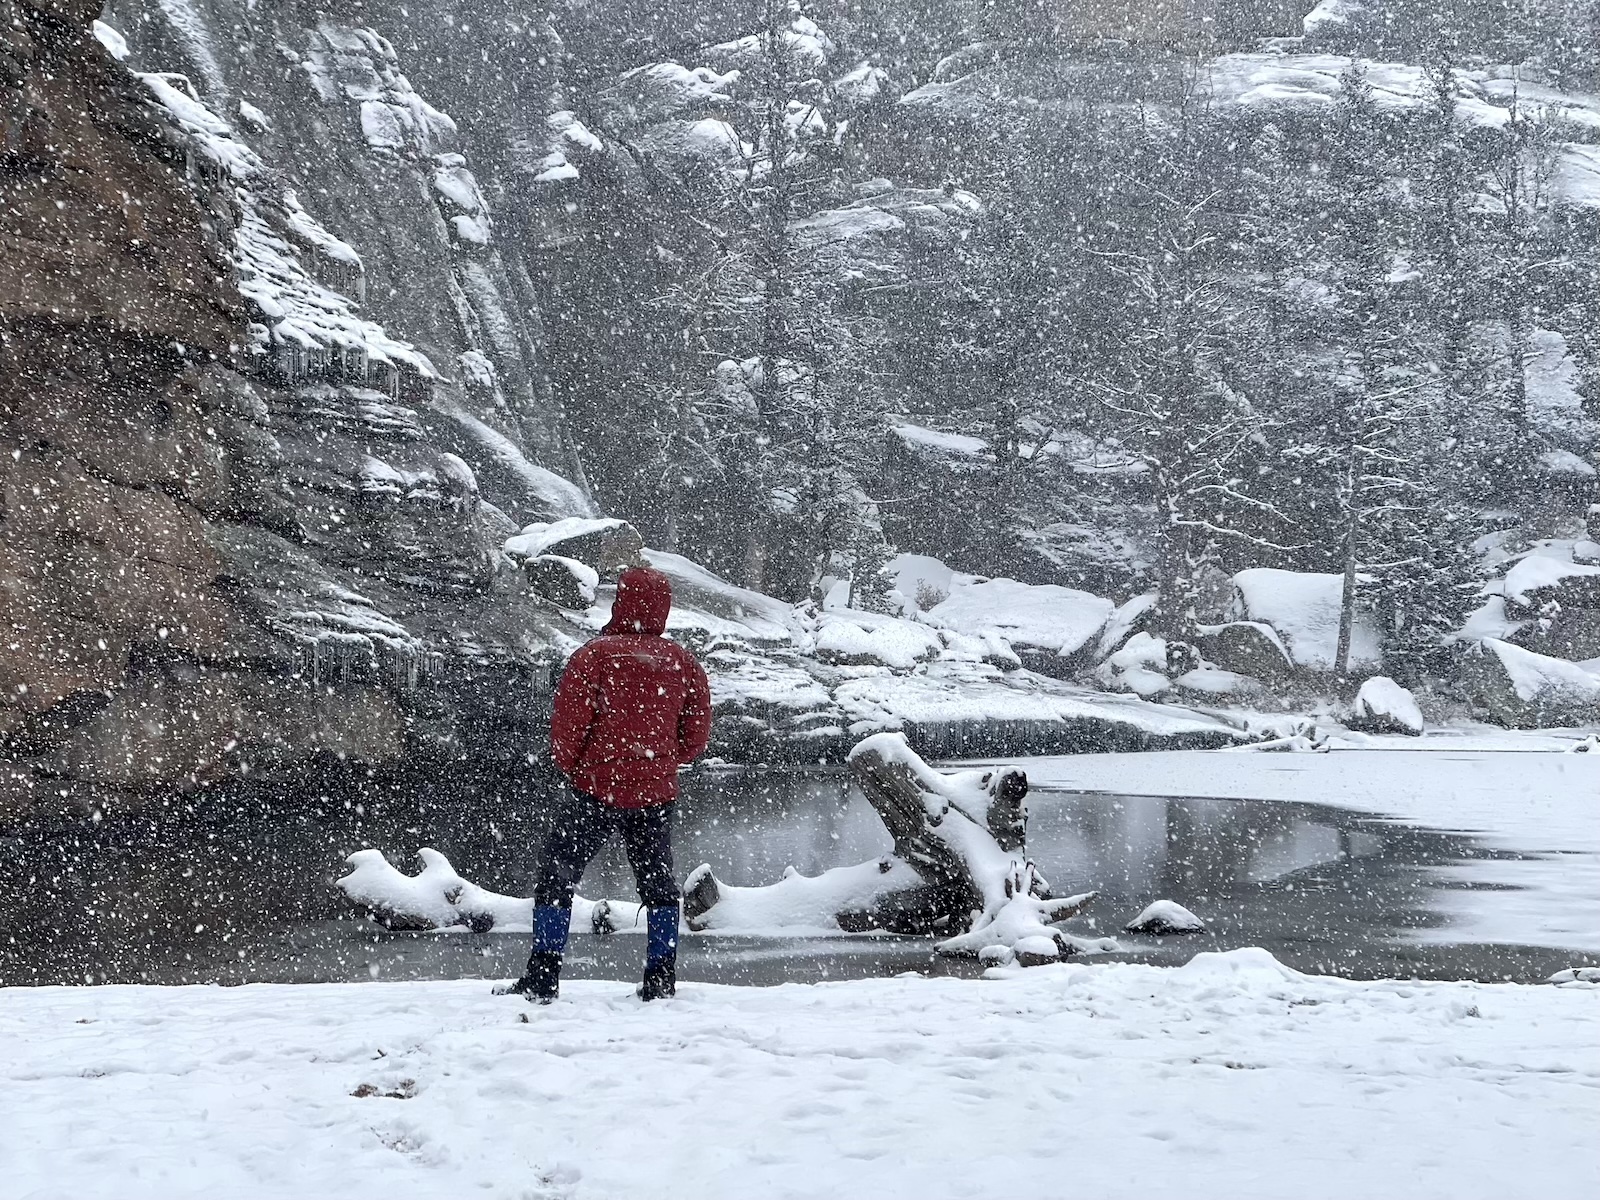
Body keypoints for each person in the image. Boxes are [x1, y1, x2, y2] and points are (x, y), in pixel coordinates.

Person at [499, 565, 712, 1004]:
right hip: (654, 793)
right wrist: (660, 763)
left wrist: (580, 768)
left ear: (621, 602)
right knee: (658, 885)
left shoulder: (593, 656)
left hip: (595, 789)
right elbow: (694, 738)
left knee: (557, 878)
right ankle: (660, 978)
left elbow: (567, 729)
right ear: (664, 607)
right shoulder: (683, 663)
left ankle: (543, 977)